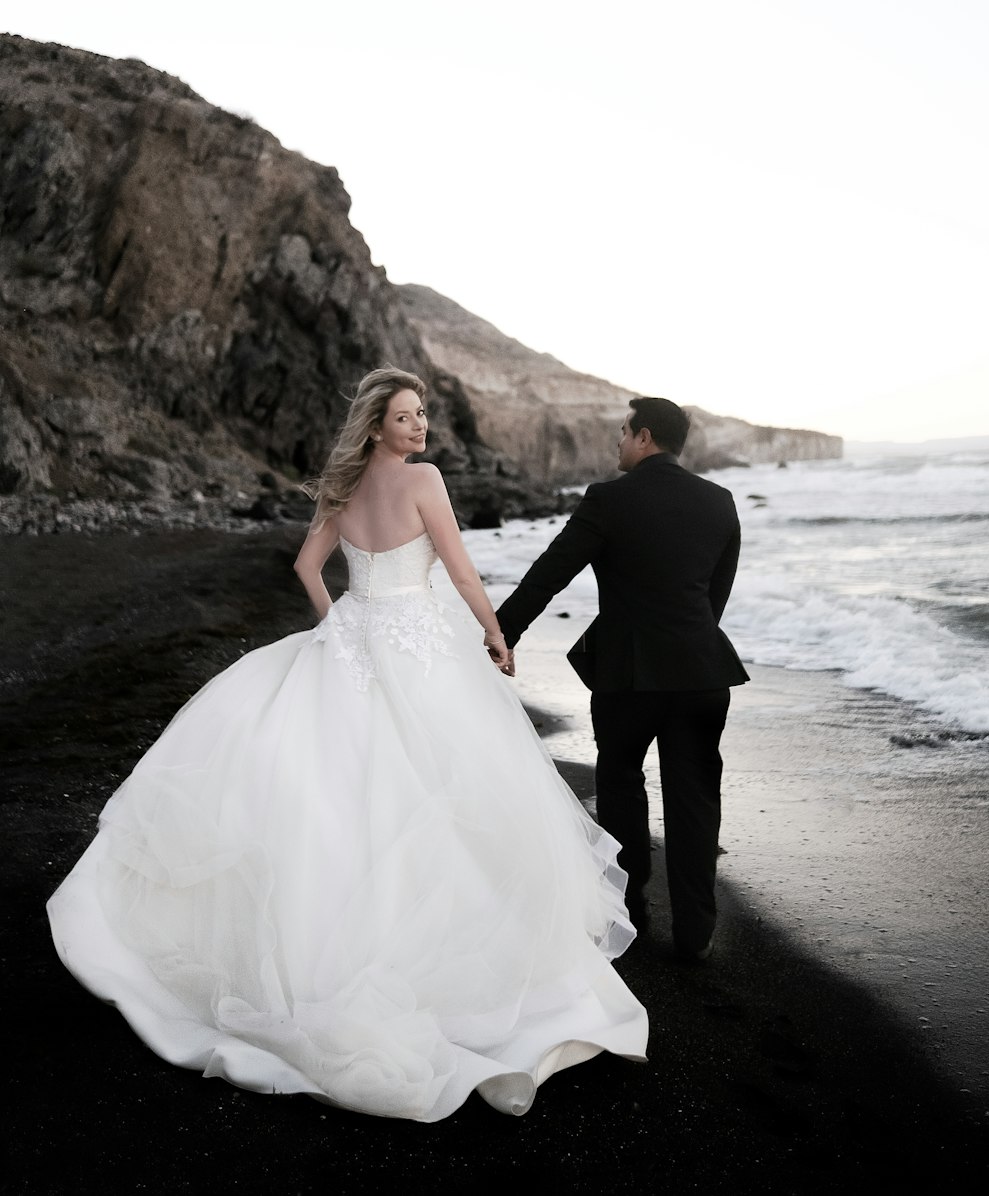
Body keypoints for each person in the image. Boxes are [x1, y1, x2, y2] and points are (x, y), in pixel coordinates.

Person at [47, 367, 648, 1122]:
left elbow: (307, 566)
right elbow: (460, 572)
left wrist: (341, 622)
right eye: (405, 417)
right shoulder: (424, 481)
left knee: (344, 778)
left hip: (355, 636)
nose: (420, 427)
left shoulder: (342, 488)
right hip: (421, 644)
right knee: (440, 784)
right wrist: (495, 635)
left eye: (423, 414)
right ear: (376, 426)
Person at [496, 397, 748, 960]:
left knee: (620, 791)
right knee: (696, 801)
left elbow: (549, 575)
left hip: (628, 678)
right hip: (701, 674)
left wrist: (502, 632)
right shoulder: (720, 501)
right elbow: (715, 597)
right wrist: (688, 645)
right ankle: (695, 934)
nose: (617, 441)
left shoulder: (608, 500)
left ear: (645, 437)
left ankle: (629, 917)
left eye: (623, 431)